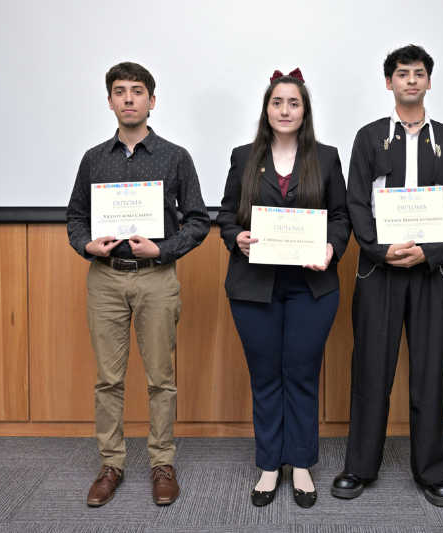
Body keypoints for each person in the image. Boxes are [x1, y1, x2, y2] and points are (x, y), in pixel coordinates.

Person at [331, 45, 443, 507]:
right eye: (401, 74)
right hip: (379, 270)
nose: (411, 80)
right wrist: (381, 249)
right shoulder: (369, 137)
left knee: (430, 373)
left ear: (429, 81)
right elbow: (355, 203)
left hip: (431, 273)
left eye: (419, 74)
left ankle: (432, 472)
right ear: (388, 82)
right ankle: (360, 466)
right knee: (371, 370)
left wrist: (427, 252)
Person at [66, 62, 210, 507]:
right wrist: (87, 246)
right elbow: (75, 218)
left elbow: (200, 221)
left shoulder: (175, 156)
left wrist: (162, 250)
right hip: (105, 281)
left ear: (152, 100)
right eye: (119, 91)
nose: (128, 98)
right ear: (109, 100)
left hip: (156, 279)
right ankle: (111, 463)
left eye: (137, 91)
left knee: (160, 380)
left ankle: (161, 464)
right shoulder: (93, 158)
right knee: (108, 381)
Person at [218, 69, 351, 508]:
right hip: (254, 286)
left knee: (301, 374)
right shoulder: (243, 157)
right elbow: (225, 216)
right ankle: (269, 464)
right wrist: (234, 238)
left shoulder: (327, 158)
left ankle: (301, 463)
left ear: (305, 110)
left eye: (293, 103)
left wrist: (332, 247)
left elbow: (341, 218)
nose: (285, 110)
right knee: (265, 377)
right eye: (278, 102)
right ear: (267, 108)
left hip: (311, 288)